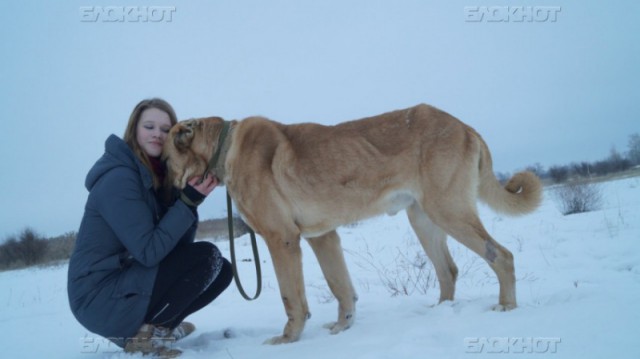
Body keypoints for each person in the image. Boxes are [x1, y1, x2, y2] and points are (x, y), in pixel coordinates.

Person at [67, 98, 232, 357]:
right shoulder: (119, 178)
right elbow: (149, 251)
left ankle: (162, 328)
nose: (157, 134)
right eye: (149, 126)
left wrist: (184, 198)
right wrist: (187, 203)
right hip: (99, 295)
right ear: (134, 130)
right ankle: (145, 336)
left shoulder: (153, 176)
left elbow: (178, 248)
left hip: (127, 279)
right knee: (207, 257)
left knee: (222, 270)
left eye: (166, 129)